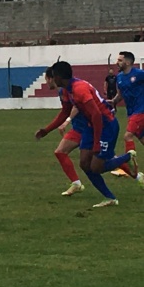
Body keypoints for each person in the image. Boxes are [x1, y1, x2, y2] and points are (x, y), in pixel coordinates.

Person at [35, 61, 137, 208]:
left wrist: (96, 143)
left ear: (57, 77)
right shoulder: (66, 90)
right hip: (91, 125)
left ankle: (126, 157)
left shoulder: (79, 89)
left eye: (53, 77)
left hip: (106, 125)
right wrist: (46, 130)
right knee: (84, 163)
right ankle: (110, 198)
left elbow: (96, 115)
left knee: (96, 167)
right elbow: (65, 112)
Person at [43, 67, 85, 196]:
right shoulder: (62, 91)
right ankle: (76, 184)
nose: (46, 83)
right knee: (60, 152)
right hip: (78, 128)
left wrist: (67, 121)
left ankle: (137, 175)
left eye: (46, 80)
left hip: (89, 127)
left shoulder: (69, 88)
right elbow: (65, 111)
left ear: (51, 78)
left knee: (101, 161)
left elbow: (77, 106)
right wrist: (47, 130)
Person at [109, 51, 144, 157]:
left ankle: (133, 167)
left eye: (120, 60)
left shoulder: (139, 74)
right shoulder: (119, 77)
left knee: (127, 136)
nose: (117, 62)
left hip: (141, 110)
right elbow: (120, 94)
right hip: (131, 112)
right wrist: (113, 101)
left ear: (128, 62)